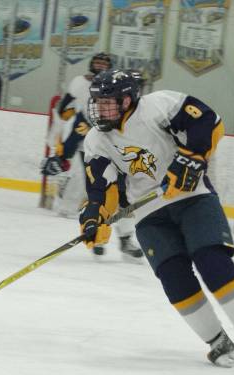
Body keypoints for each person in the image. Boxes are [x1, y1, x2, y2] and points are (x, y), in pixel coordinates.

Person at [79, 69, 234, 367]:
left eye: (107, 103)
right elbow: (101, 187)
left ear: (127, 100)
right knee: (174, 277)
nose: (99, 109)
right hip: (148, 214)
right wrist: (95, 216)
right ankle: (216, 340)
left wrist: (192, 158)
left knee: (211, 259)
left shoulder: (159, 105)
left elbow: (208, 121)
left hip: (192, 196)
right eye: (97, 102)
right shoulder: (96, 140)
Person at [41, 54, 143, 261]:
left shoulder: (131, 107)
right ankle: (100, 235)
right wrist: (61, 155)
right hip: (94, 150)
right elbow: (74, 119)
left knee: (124, 197)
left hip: (119, 151)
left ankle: (125, 239)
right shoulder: (84, 94)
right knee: (102, 193)